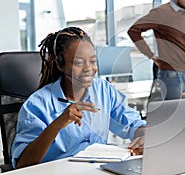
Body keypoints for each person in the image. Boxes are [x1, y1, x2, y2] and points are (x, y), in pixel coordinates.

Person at [11, 27, 146, 169]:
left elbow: (132, 124)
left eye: (93, 61)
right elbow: (23, 163)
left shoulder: (104, 90)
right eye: (78, 63)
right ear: (60, 64)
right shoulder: (37, 104)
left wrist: (144, 136)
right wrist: (57, 124)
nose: (88, 68)